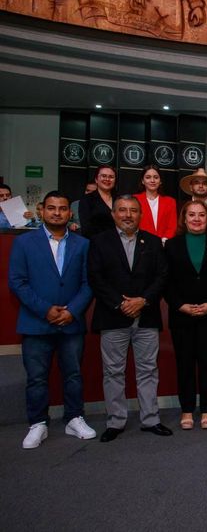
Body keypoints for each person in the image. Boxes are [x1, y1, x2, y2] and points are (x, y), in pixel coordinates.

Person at [9, 190, 95, 449]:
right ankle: (38, 423)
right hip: (36, 322)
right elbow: (17, 282)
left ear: (70, 212)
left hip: (72, 321)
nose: (57, 212)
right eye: (52, 208)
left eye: (62, 208)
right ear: (42, 211)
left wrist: (72, 310)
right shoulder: (24, 243)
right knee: (37, 377)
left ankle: (74, 417)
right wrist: (46, 310)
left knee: (73, 374)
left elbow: (89, 282)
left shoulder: (83, 244)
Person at [87, 195, 172, 442]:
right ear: (113, 214)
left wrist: (143, 301)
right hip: (113, 316)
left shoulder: (154, 242)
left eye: (133, 210)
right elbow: (95, 277)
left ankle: (150, 419)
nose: (127, 215)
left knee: (148, 369)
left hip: (146, 316)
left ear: (140, 214)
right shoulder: (99, 242)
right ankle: (115, 421)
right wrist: (121, 303)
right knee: (113, 371)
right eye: (122, 210)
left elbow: (162, 277)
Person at [164, 200, 207, 431]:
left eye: (201, 215)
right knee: (184, 364)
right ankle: (186, 409)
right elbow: (166, 281)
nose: (196, 219)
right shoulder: (172, 246)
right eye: (191, 215)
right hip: (181, 314)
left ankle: (205, 409)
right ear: (184, 218)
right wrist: (180, 304)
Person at [134, 165, 178, 243]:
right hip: (140, 244)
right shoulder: (134, 200)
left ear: (160, 181)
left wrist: (163, 241)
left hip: (164, 245)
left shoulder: (170, 201)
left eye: (156, 177)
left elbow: (172, 227)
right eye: (148, 177)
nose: (152, 180)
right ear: (142, 181)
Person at [79, 164, 117, 239]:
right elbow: (86, 229)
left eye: (111, 177)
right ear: (96, 179)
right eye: (103, 176)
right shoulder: (87, 200)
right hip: (95, 244)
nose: (107, 179)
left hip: (118, 244)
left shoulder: (119, 199)